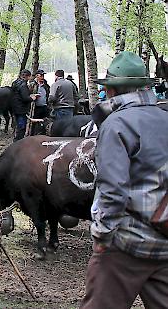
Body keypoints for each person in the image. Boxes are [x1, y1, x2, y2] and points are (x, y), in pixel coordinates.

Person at [81, 51, 168, 309]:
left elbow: (112, 191)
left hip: (126, 245)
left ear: (110, 91)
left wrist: (101, 235)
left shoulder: (116, 124)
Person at [11, 69, 35, 141]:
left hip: (15, 107)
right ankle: (18, 142)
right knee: (21, 127)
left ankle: (16, 140)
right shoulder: (23, 85)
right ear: (28, 76)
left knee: (18, 125)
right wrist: (32, 98)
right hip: (21, 109)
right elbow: (25, 98)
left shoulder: (14, 83)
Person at [31, 69, 50, 135]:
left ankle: (44, 134)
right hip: (36, 107)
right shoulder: (33, 85)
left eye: (43, 75)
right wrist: (34, 96)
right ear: (37, 76)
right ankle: (33, 134)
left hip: (44, 106)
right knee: (34, 122)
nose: (42, 77)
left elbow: (48, 94)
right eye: (41, 75)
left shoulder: (46, 85)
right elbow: (28, 95)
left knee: (45, 121)